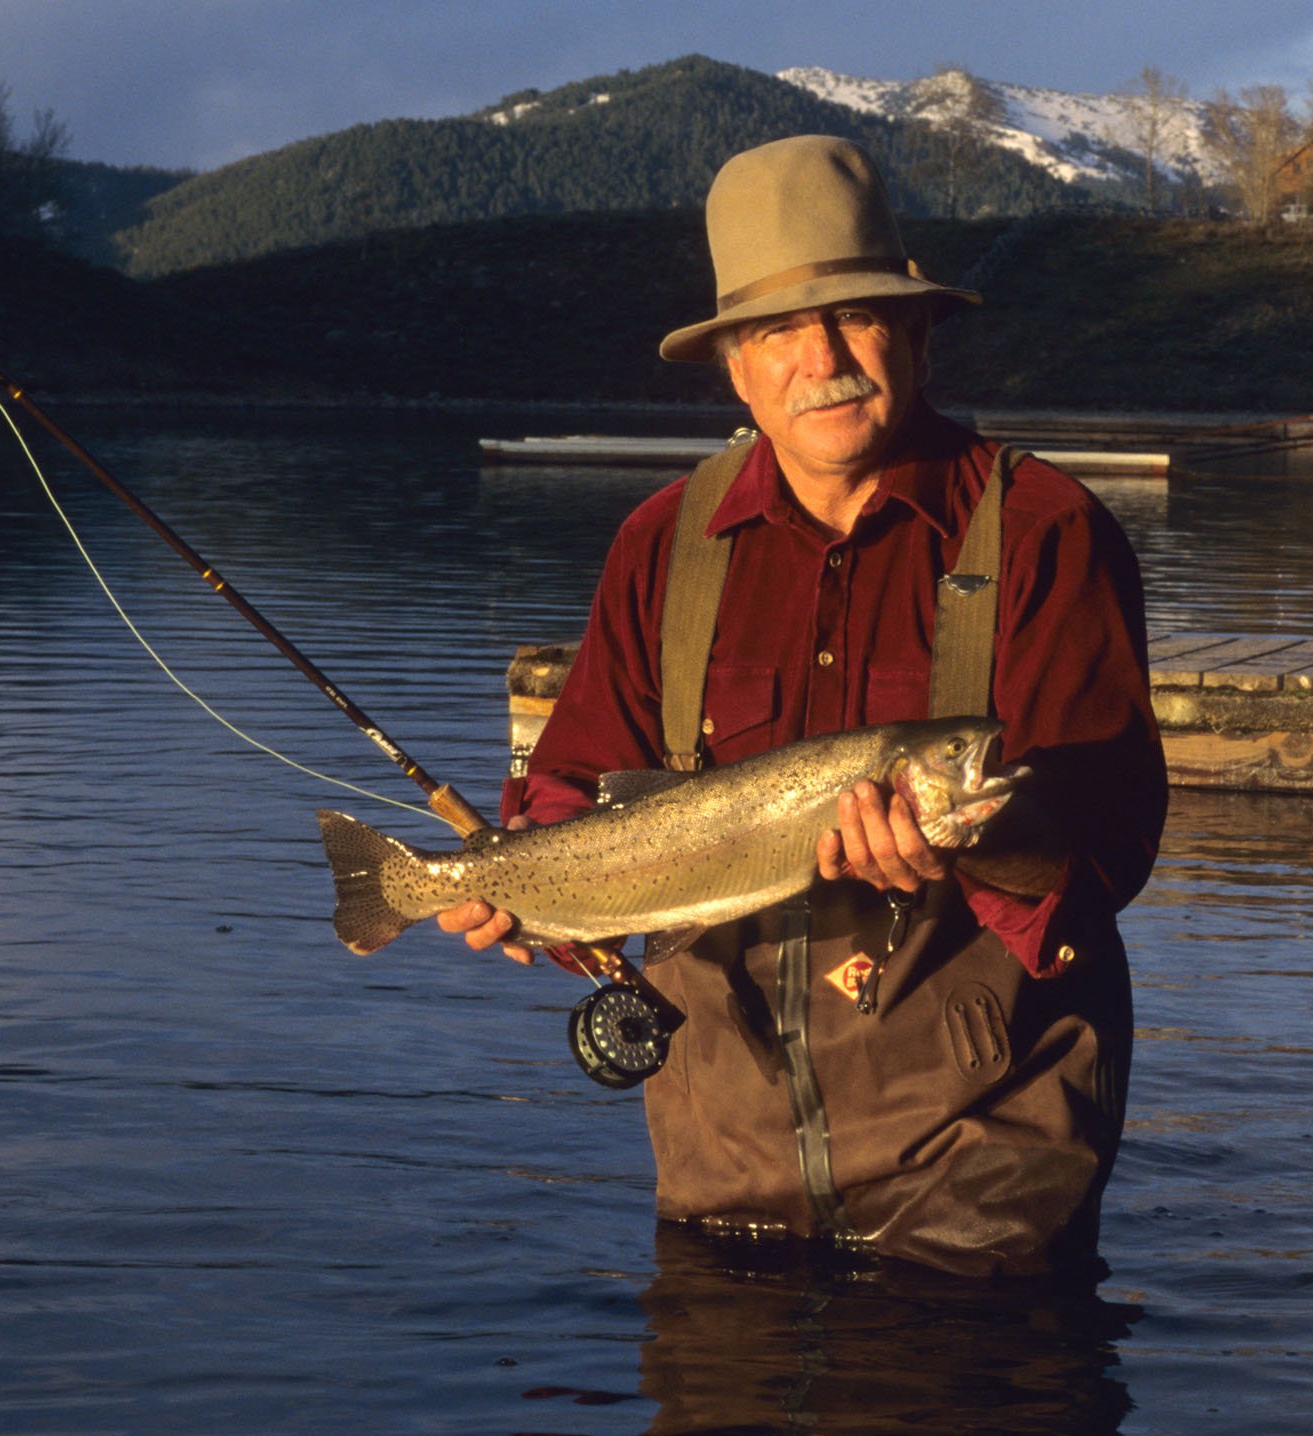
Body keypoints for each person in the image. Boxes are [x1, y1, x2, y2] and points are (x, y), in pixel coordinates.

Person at [443, 134, 1167, 1276]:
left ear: (917, 334)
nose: (820, 357)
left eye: (856, 318)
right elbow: (571, 781)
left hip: (985, 1162)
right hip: (719, 1154)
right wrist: (524, 886)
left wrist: (983, 842)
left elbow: (1112, 837)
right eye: (778, 330)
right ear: (732, 365)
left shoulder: (1045, 533)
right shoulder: (659, 547)